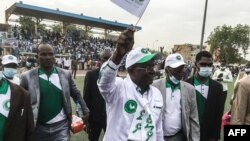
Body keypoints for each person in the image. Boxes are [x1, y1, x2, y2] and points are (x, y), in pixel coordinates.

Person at [97, 29, 164, 141]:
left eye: (153, 66)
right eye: (147, 67)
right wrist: (118, 55)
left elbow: (157, 130)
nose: (153, 71)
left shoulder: (157, 94)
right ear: (131, 70)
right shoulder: (118, 87)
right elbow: (103, 83)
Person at [20, 43, 89, 141]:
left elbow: (76, 94)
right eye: (43, 54)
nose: (48, 57)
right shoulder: (27, 76)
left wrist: (85, 109)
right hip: (38, 127)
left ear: (54, 56)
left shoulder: (66, 74)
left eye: (51, 54)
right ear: (37, 56)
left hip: (61, 127)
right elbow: (20, 100)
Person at [153, 53, 200, 141]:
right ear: (167, 70)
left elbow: (194, 118)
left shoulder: (189, 89)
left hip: (178, 136)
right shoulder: (154, 87)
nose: (181, 72)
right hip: (157, 136)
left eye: (182, 68)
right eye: (176, 69)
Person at [186, 51, 226, 141]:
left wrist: (215, 136)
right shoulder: (185, 84)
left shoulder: (218, 87)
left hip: (208, 134)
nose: (207, 67)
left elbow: (218, 114)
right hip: (189, 133)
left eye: (210, 65)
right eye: (203, 64)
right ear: (196, 64)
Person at [0, 61, 34, 141]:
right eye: (9, 66)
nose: (11, 69)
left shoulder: (22, 93)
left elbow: (29, 127)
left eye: (13, 66)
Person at [83, 49, 112, 141]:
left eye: (110, 59)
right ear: (100, 60)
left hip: (111, 118)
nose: (108, 62)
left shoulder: (116, 77)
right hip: (94, 118)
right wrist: (86, 121)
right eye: (105, 59)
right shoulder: (91, 75)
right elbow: (86, 98)